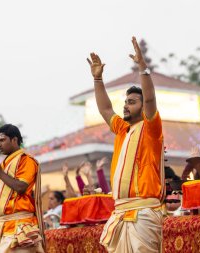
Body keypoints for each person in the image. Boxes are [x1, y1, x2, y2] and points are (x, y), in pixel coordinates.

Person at [87, 37, 165, 252]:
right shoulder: (123, 129)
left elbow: (150, 100)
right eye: (126, 102)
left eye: (132, 102)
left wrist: (143, 69)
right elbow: (105, 109)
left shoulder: (151, 128)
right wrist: (97, 79)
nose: (126, 106)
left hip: (143, 213)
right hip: (120, 212)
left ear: (142, 106)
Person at [0, 124, 45, 253]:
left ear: (14, 140)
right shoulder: (5, 163)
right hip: (4, 227)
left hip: (21, 227)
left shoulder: (26, 160)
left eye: (2, 140)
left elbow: (21, 187)